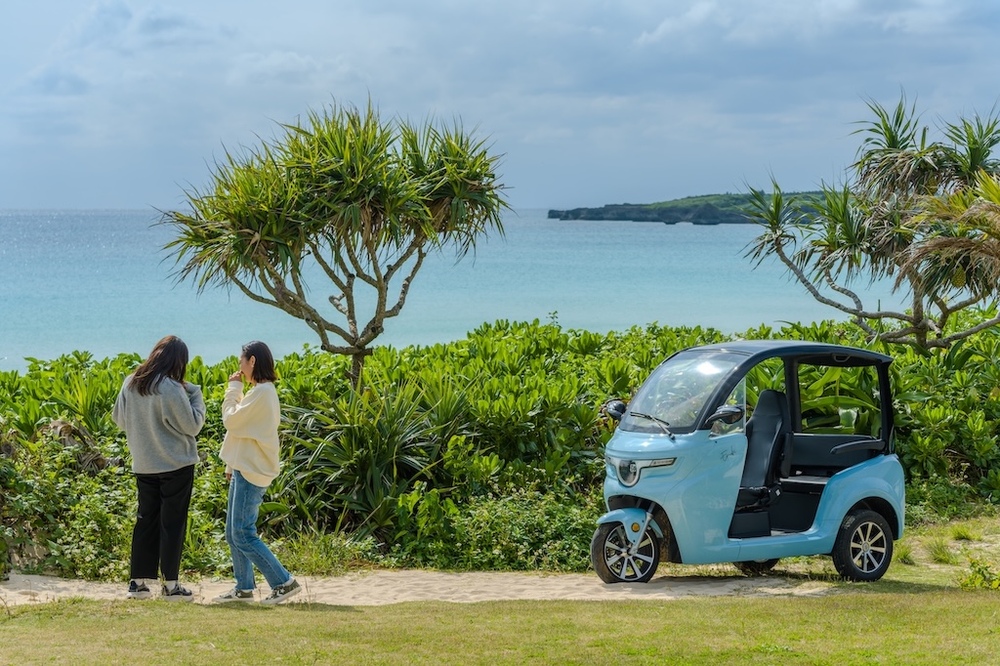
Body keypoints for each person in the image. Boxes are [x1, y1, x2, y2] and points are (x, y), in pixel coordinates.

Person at [112, 335, 206, 601]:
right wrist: (195, 395)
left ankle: (137, 583)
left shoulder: (130, 382)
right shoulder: (172, 387)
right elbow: (192, 426)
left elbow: (119, 419)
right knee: (172, 524)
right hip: (176, 463)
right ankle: (171, 586)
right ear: (178, 361)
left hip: (144, 463)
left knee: (145, 521)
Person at [213, 341, 301, 605]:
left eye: (241, 362)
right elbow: (242, 430)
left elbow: (231, 420)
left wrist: (232, 390)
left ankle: (284, 582)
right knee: (233, 532)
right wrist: (231, 465)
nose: (239, 367)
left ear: (252, 361)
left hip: (253, 470)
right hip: (245, 467)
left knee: (242, 532)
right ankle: (244, 588)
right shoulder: (259, 393)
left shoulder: (261, 393)